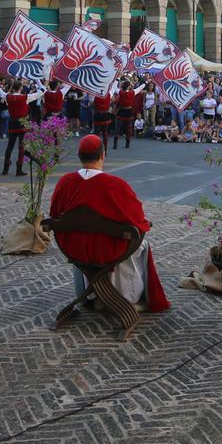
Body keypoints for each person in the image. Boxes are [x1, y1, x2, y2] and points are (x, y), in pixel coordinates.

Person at [48, 134, 170, 313]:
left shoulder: (65, 182)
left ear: (79, 156)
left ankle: (97, 295)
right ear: (103, 155)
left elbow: (54, 215)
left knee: (101, 241)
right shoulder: (115, 185)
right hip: (109, 251)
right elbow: (137, 220)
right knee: (138, 243)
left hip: (75, 248)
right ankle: (126, 298)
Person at [116, 80, 144, 148]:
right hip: (129, 111)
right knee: (128, 128)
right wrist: (146, 82)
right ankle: (127, 143)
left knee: (118, 127)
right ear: (128, 86)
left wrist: (117, 79)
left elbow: (114, 88)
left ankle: (115, 143)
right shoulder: (132, 93)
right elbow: (140, 88)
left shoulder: (120, 92)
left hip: (121, 110)